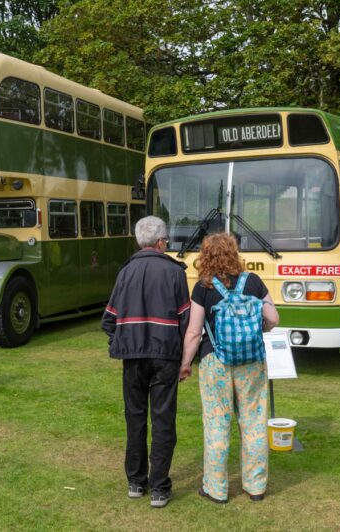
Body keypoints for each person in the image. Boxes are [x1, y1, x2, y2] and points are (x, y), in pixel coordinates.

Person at [179, 232, 279, 503]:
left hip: (215, 362)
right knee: (254, 422)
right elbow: (273, 317)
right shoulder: (254, 282)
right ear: (234, 253)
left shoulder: (203, 287)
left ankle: (216, 488)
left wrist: (185, 364)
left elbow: (193, 332)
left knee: (216, 424)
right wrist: (261, 327)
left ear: (205, 255)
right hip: (252, 362)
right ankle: (255, 486)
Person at [101, 216, 191, 508]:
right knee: (163, 420)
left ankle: (136, 482)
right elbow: (186, 319)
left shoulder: (125, 271)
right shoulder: (174, 272)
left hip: (132, 357)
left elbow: (109, 319)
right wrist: (186, 358)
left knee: (135, 418)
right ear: (161, 241)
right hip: (165, 355)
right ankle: (159, 488)